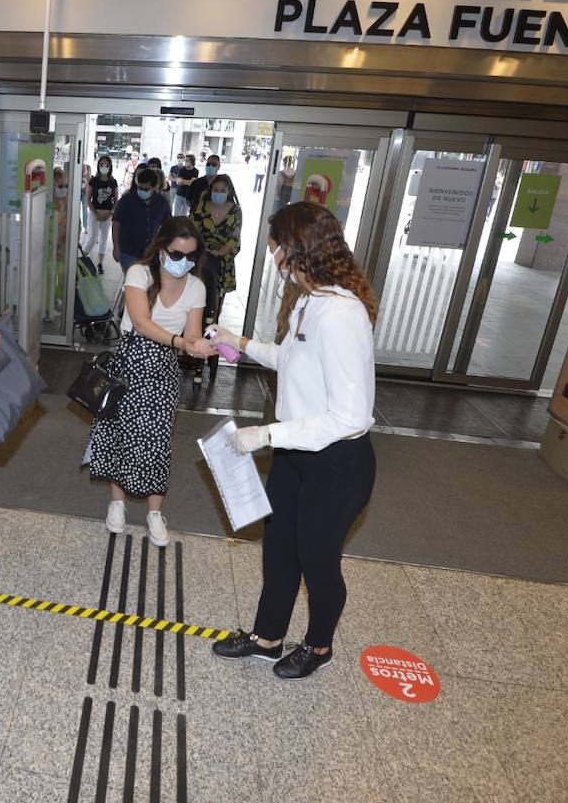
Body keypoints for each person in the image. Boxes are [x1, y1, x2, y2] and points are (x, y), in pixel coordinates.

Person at [208, 201, 377, 681]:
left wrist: (265, 434)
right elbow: (292, 359)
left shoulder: (342, 314)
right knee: (279, 545)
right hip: (297, 455)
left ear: (297, 251)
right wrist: (239, 343)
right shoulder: (310, 300)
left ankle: (319, 645)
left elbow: (348, 416)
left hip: (337, 464)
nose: (273, 256)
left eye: (277, 247)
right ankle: (267, 638)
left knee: (317, 559)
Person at [85, 216, 214, 547]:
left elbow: (193, 333)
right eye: (176, 254)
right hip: (130, 360)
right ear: (160, 248)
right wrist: (181, 342)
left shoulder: (197, 286)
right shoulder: (138, 273)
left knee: (158, 440)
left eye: (190, 256)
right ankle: (117, 503)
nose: (183, 262)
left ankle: (154, 512)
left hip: (164, 369)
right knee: (121, 432)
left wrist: (199, 345)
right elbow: (141, 322)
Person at [192, 173, 243, 379]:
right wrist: (201, 252)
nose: (218, 193)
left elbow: (235, 238)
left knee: (213, 311)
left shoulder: (235, 211)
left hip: (221, 265)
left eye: (223, 191)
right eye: (216, 190)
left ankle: (211, 351)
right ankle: (192, 347)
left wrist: (219, 252)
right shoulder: (201, 207)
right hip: (199, 263)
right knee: (194, 307)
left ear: (229, 192)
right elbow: (190, 230)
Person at [112, 166, 171, 270]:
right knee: (132, 279)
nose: (142, 191)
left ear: (155, 187)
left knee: (147, 282)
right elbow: (116, 223)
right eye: (140, 188)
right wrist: (116, 248)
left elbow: (167, 226)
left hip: (152, 253)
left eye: (146, 189)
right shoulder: (126, 200)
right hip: (128, 252)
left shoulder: (162, 203)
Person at [84, 156, 118, 268]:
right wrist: (95, 213)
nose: (104, 167)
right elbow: (88, 199)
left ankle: (100, 263)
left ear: (110, 167)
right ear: (98, 166)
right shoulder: (93, 181)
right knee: (92, 237)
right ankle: (81, 258)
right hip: (95, 212)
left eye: (106, 165)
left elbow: (116, 200)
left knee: (104, 238)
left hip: (107, 213)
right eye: (102, 165)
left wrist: (110, 213)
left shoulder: (113, 182)